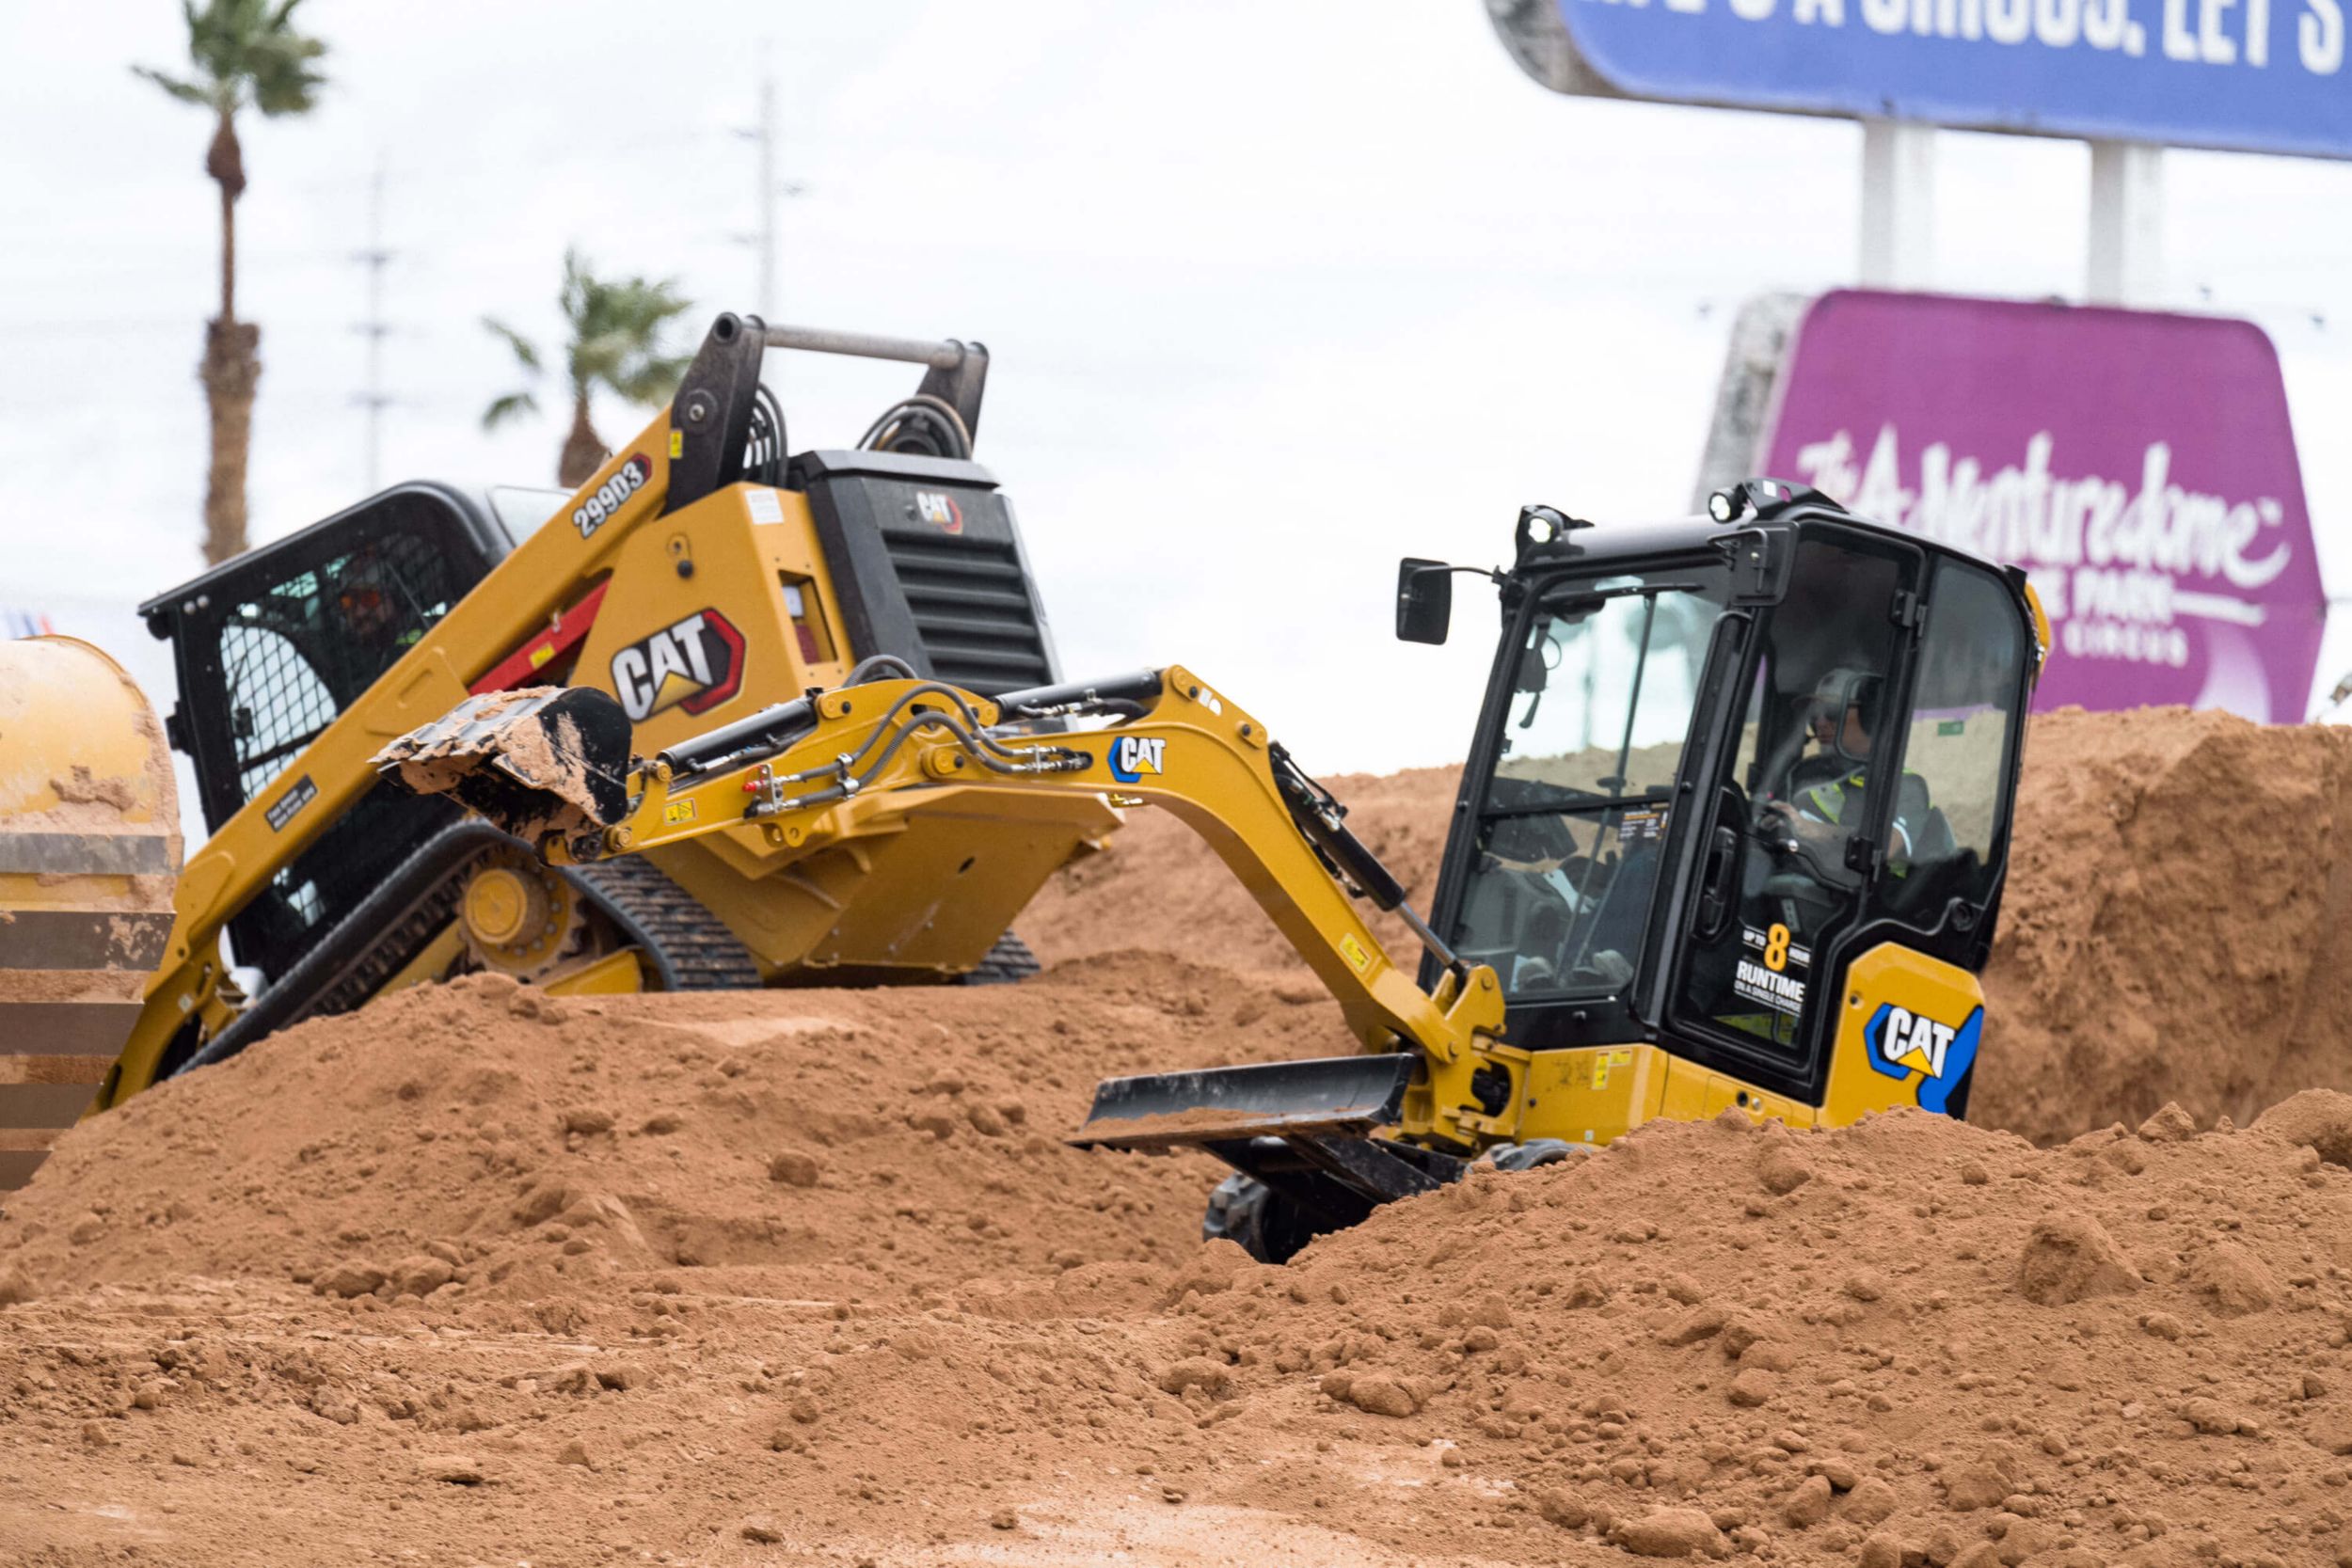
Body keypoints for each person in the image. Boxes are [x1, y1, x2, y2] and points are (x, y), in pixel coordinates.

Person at [1759, 667, 1929, 879]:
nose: (1820, 723)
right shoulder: (1804, 773)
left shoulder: (1904, 784)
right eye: (1814, 714)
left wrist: (1811, 830)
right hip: (1800, 888)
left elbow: (1886, 846)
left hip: (1868, 902)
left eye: (1832, 712)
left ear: (1869, 717)